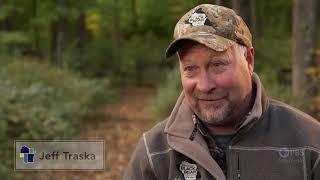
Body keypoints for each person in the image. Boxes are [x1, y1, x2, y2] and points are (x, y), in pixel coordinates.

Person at [123, 4, 320, 180]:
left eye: (218, 65)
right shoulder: (155, 153)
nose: (204, 85)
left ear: (249, 60)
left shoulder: (309, 144)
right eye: (190, 69)